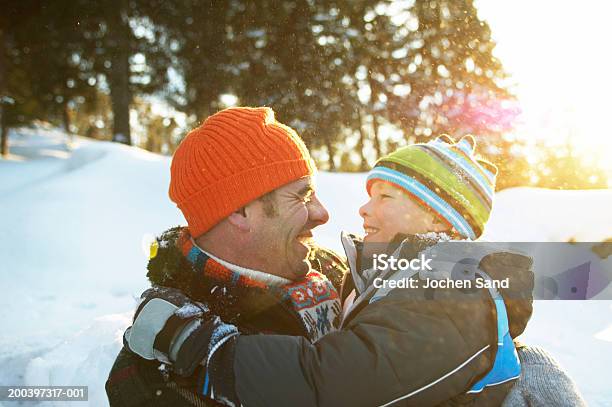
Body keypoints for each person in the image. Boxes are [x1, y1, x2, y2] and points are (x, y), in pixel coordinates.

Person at [125, 133, 542, 406]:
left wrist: (210, 352)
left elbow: (339, 381)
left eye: (386, 196)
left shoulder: (451, 288)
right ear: (239, 211)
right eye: (301, 197)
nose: (330, 213)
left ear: (438, 219)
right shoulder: (380, 279)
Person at [105, 106, 348, 406]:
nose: (323, 214)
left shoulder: (335, 268)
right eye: (303, 196)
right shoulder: (170, 366)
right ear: (240, 211)